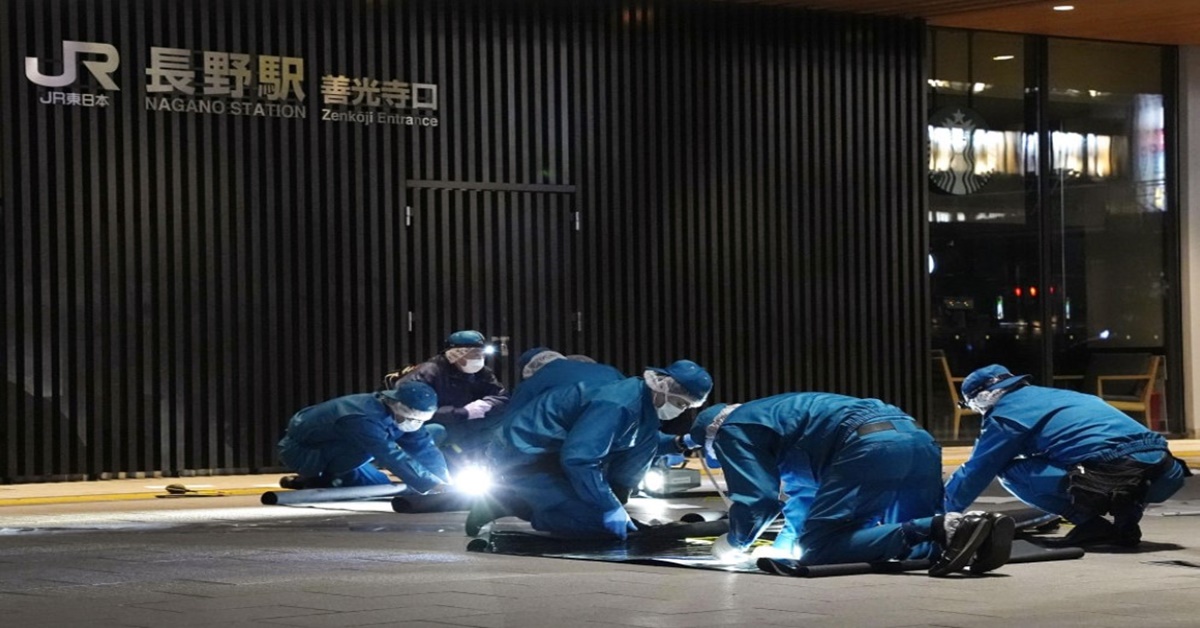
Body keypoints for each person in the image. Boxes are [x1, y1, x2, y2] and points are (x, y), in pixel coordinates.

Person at [693, 394, 1015, 577]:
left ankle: (938, 526)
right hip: (917, 439)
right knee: (906, 543)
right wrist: (784, 544)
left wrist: (734, 542)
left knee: (819, 550)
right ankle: (966, 531)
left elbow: (758, 500)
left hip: (870, 447)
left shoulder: (730, 430)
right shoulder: (777, 413)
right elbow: (804, 498)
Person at [946, 364, 1191, 547]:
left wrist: (942, 513)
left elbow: (979, 468)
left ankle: (1089, 523)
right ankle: (1125, 525)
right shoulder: (1061, 396)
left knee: (1009, 472)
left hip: (1112, 474)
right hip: (1165, 472)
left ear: (980, 398)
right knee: (1117, 463)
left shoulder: (1005, 415)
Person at [467, 359, 714, 539]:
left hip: (558, 453)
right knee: (592, 522)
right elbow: (580, 459)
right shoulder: (617, 403)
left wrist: (681, 443)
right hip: (528, 455)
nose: (681, 409)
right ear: (664, 386)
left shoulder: (643, 404)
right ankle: (507, 502)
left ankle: (549, 503)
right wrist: (609, 505)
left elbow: (639, 442)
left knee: (605, 514)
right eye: (681, 403)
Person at [276, 381, 450, 493]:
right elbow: (389, 454)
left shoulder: (402, 413)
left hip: (345, 448)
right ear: (397, 405)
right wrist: (431, 483)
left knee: (379, 485)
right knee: (380, 449)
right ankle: (316, 477)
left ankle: (320, 481)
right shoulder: (361, 418)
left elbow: (424, 447)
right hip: (303, 452)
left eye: (420, 419)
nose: (415, 423)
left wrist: (445, 481)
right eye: (412, 418)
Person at [387, 330, 511, 468]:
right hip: (433, 423)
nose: (478, 359)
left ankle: (471, 460)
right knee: (436, 430)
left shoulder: (483, 373)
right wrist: (460, 412)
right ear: (456, 354)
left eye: (480, 354)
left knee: (500, 423)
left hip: (461, 423)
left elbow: (502, 397)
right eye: (473, 354)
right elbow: (408, 409)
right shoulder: (429, 372)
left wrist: (485, 405)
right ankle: (417, 467)